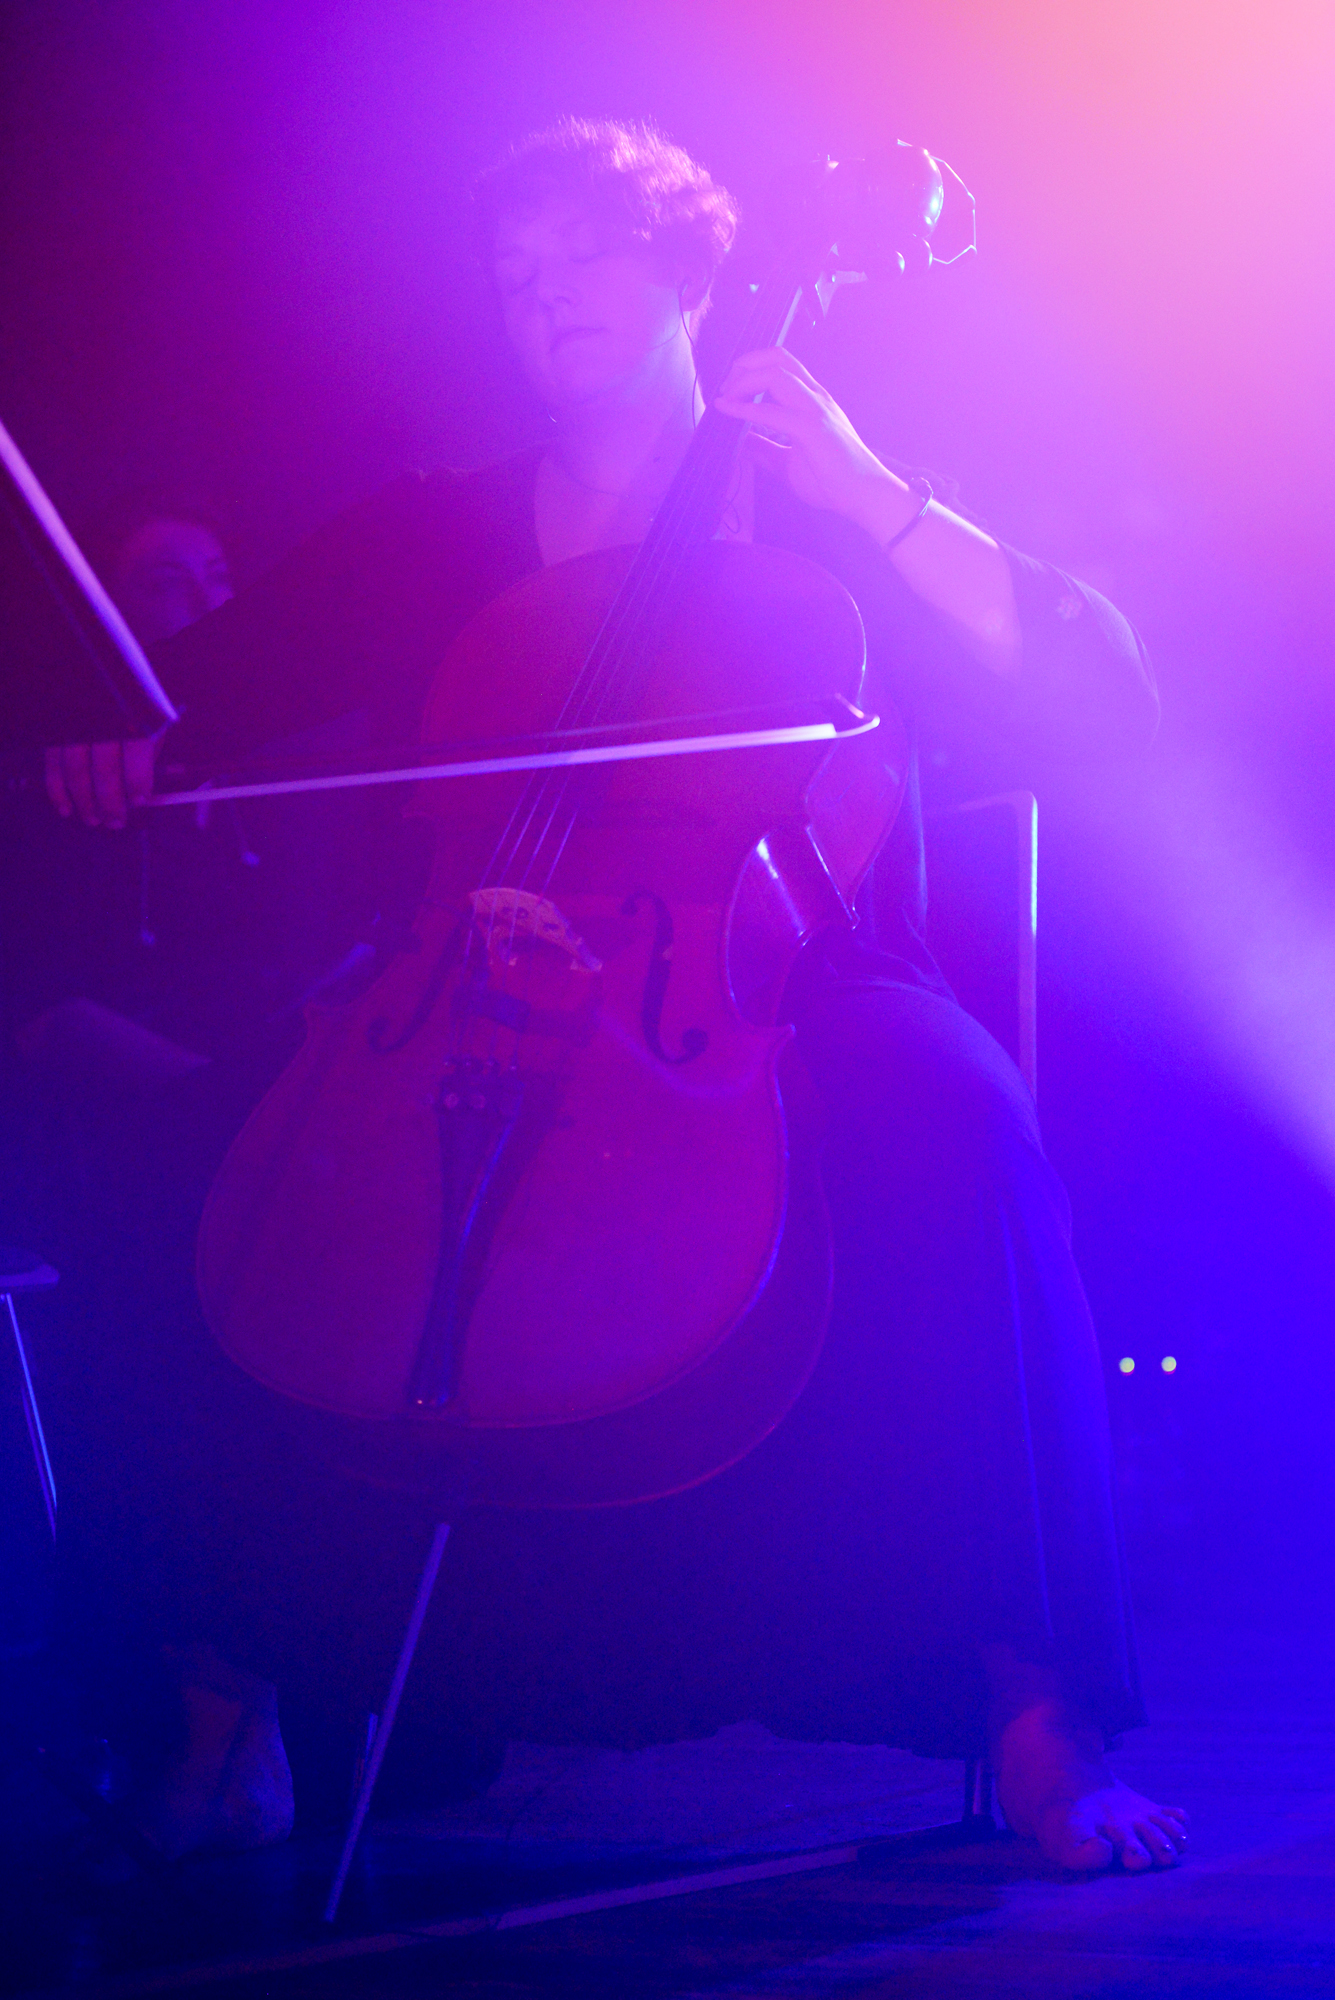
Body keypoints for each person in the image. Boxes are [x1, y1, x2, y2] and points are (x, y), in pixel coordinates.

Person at [42, 118, 1185, 1874]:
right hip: (458, 969)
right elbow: (194, 690)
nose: (544, 293)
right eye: (514, 272)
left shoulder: (812, 501)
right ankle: (228, 1713)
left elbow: (1094, 685)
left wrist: (871, 488)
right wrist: (123, 739)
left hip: (772, 972)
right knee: (213, 1177)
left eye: (585, 254)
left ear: (694, 277)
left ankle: (1041, 1715)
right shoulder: (434, 531)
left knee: (962, 1124)